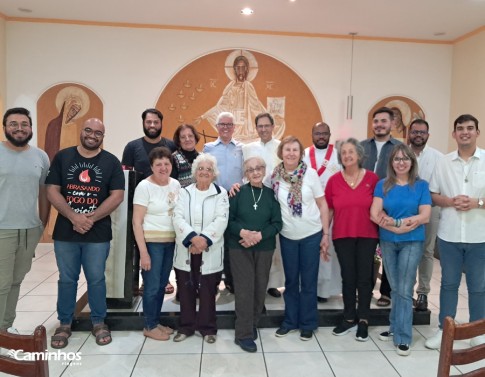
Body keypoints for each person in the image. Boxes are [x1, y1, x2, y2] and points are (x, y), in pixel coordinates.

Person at [46, 118, 125, 348]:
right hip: (66, 232)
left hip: (97, 233)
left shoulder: (111, 161)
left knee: (97, 279)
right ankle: (64, 323)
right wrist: (73, 216)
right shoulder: (63, 157)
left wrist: (90, 218)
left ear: (103, 136)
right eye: (88, 130)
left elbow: (117, 195)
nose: (92, 135)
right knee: (67, 279)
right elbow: (52, 190)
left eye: (98, 132)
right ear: (82, 132)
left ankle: (99, 321)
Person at [425, 114, 485, 350]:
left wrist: (477, 203)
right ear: (454, 134)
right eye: (460, 128)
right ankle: (444, 331)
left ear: (477, 133)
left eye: (470, 128)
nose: (465, 132)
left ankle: (477, 332)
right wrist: (449, 201)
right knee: (448, 284)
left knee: (478, 286)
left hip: (479, 236)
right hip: (449, 236)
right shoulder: (443, 162)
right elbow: (432, 195)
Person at [370, 144, 431, 356]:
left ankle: (404, 336)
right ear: (391, 163)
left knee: (404, 289)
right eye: (397, 159)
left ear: (412, 162)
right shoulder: (383, 185)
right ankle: (395, 326)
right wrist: (397, 225)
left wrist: (399, 222)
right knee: (396, 287)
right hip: (388, 241)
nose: (401, 162)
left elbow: (425, 216)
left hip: (412, 242)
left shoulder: (421, 186)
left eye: (406, 158)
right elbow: (374, 213)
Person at [271, 136, 329, 341]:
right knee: (291, 281)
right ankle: (290, 321)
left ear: (300, 153)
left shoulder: (310, 174)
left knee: (309, 282)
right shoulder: (275, 176)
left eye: (295, 150)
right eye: (287, 149)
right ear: (281, 152)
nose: (291, 153)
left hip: (311, 235)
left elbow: (323, 205)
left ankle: (308, 323)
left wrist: (325, 234)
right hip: (288, 236)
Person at [0, 107, 50, 334]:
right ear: (5, 127)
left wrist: (41, 223)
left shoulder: (40, 156)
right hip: (3, 229)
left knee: (16, 281)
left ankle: (6, 327)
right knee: (1, 284)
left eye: (24, 124)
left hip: (29, 229)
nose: (19, 128)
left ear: (30, 128)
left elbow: (43, 192)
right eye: (13, 124)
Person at [325, 138, 379, 342]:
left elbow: (379, 207)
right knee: (348, 277)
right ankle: (348, 318)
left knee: (364, 278)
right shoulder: (333, 181)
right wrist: (324, 235)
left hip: (368, 235)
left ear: (359, 155)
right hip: (342, 235)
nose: (347, 155)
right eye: (344, 153)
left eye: (351, 152)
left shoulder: (373, 179)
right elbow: (329, 209)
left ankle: (363, 318)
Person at [172, 154, 229, 344]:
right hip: (187, 248)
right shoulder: (184, 192)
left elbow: (221, 219)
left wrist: (203, 240)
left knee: (207, 290)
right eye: (201, 169)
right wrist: (192, 240)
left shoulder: (221, 193)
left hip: (209, 249)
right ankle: (186, 327)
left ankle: (208, 328)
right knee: (186, 289)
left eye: (209, 169)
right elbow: (177, 217)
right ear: (195, 172)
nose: (204, 172)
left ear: (214, 174)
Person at [227, 156, 282, 352]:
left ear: (264, 170)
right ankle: (243, 334)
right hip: (239, 247)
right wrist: (243, 233)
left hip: (264, 248)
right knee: (244, 288)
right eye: (250, 170)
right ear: (245, 174)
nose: (255, 172)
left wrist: (258, 236)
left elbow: (277, 223)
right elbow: (229, 220)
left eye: (259, 168)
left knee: (259, 288)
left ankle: (252, 322)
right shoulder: (237, 193)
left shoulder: (271, 195)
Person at [122, 108, 177, 295]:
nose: (152, 125)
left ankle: (161, 280)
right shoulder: (132, 147)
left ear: (161, 123)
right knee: (141, 245)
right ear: (143, 123)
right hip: (139, 203)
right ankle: (141, 281)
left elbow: (175, 173)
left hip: (164, 203)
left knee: (163, 248)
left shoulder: (171, 145)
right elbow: (126, 175)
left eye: (156, 122)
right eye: (148, 122)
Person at [132, 147, 180, 341]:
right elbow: (137, 222)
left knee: (161, 285)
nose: (163, 168)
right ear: (151, 166)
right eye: (158, 164)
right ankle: (149, 325)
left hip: (170, 243)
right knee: (151, 286)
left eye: (166, 164)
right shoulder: (144, 187)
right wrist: (143, 253)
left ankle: (155, 321)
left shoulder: (175, 184)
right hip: (152, 245)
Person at [361, 107, 402, 307]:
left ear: (391, 123)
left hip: (390, 208)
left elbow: (405, 177)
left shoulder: (400, 148)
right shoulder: (361, 146)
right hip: (365, 208)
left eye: (383, 121)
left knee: (388, 250)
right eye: (376, 121)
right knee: (367, 251)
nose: (379, 124)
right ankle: (366, 289)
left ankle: (386, 291)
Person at [242, 112, 283, 298]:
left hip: (274, 197)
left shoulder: (281, 146)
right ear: (256, 127)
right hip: (252, 196)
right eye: (260, 126)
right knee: (254, 235)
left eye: (267, 125)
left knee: (271, 240)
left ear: (273, 126)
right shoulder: (248, 148)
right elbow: (243, 172)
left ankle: (271, 284)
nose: (264, 129)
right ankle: (251, 281)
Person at [203, 112, 243, 294]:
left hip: (236, 201)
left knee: (233, 242)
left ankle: (232, 279)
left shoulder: (242, 149)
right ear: (217, 127)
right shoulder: (208, 148)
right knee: (215, 239)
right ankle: (214, 279)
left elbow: (246, 173)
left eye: (229, 124)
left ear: (234, 127)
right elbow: (204, 173)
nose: (225, 127)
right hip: (215, 200)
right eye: (222, 124)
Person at [303, 122, 341, 303]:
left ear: (329, 134)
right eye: (317, 133)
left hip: (331, 208)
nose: (321, 137)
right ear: (312, 134)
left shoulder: (337, 155)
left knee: (328, 248)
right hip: (308, 209)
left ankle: (325, 289)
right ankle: (308, 286)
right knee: (309, 249)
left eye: (324, 133)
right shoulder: (303, 154)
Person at [408, 119, 443, 311]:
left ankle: (423, 293)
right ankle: (406, 291)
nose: (418, 135)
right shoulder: (401, 154)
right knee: (407, 249)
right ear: (409, 134)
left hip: (431, 207)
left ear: (427, 135)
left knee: (427, 251)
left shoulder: (438, 157)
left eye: (422, 132)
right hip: (405, 209)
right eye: (414, 132)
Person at [171, 124, 200, 188]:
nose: (187, 139)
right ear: (179, 141)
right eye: (183, 137)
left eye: (190, 136)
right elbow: (171, 185)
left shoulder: (202, 158)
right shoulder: (173, 158)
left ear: (195, 138)